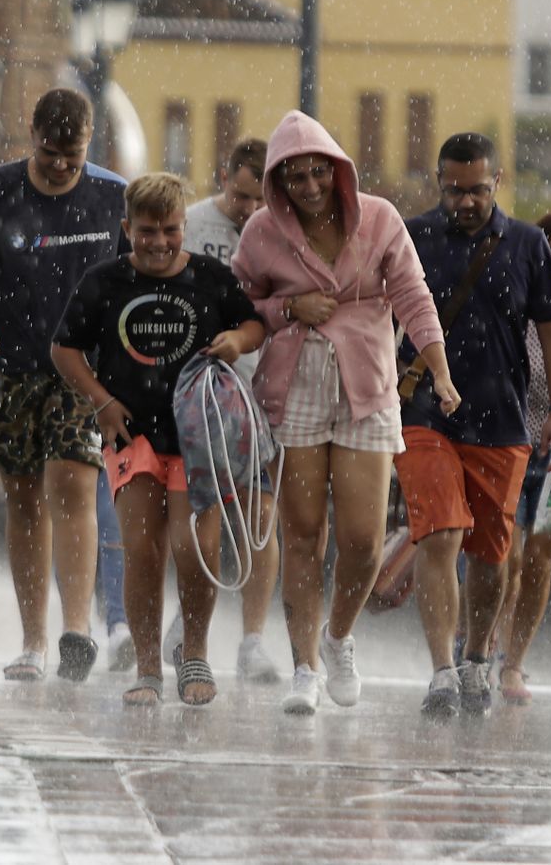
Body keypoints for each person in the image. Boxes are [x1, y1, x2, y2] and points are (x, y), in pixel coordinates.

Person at [232, 110, 459, 716]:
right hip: (295, 385)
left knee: (360, 542)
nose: (308, 187)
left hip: (367, 388)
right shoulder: (260, 232)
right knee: (302, 535)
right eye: (294, 177)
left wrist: (438, 369)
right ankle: (303, 666)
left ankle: (336, 637)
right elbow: (238, 305)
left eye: (317, 173)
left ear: (337, 171)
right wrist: (288, 309)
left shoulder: (380, 218)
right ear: (278, 183)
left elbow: (413, 294)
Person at [53, 171, 266, 706]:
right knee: (143, 551)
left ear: (183, 230)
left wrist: (237, 340)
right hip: (132, 435)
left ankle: (194, 654)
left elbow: (255, 324)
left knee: (197, 547)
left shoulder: (212, 279)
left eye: (170, 230)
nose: (159, 242)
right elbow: (64, 348)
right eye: (146, 231)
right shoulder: (104, 282)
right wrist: (100, 402)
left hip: (198, 435)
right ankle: (148, 667)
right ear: (127, 228)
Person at [0, 87, 126, 683]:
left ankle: (76, 629)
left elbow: (138, 272)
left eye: (74, 157)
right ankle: (33, 641)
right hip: (8, 368)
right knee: (23, 502)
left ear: (87, 145)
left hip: (79, 370)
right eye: (51, 156)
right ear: (33, 137)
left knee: (72, 485)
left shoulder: (111, 197)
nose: (63, 168)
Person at [396, 134, 551, 719]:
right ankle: (443, 670)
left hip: (502, 420)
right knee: (440, 534)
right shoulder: (414, 236)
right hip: (426, 414)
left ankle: (476, 658)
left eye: (476, 190)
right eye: (453, 190)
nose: (465, 201)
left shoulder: (526, 244)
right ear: (438, 182)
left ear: (497, 181)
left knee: (493, 554)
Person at [176, 136, 282, 684]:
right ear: (224, 176)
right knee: (201, 514)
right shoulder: (191, 225)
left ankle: (253, 640)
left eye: (256, 200)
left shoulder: (282, 236)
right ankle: (186, 622)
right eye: (239, 196)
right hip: (197, 394)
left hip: (260, 391)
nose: (245, 210)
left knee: (261, 517)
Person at [481, 212, 551, 709]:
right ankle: (481, 647)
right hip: (508, 447)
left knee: (540, 563)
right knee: (505, 557)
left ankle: (514, 662)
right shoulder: (514, 311)